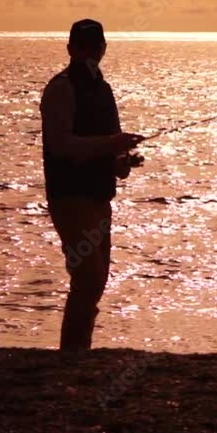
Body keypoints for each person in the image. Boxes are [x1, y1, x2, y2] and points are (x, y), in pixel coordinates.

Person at [40, 19, 145, 357]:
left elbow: (111, 152)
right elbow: (61, 145)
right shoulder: (60, 88)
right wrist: (111, 144)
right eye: (81, 47)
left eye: (94, 46)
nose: (89, 53)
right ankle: (72, 352)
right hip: (69, 197)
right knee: (87, 276)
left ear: (102, 48)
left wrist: (122, 160)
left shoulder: (104, 90)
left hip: (100, 197)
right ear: (70, 49)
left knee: (97, 280)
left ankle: (79, 349)